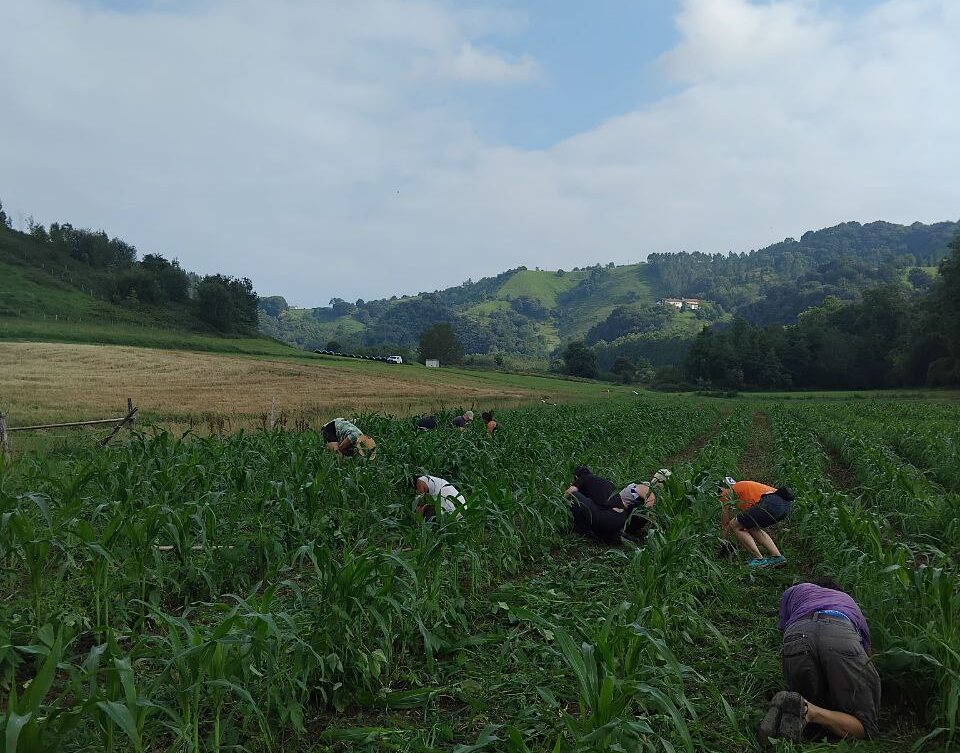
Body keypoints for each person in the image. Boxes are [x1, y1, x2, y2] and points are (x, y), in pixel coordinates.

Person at [758, 579, 880, 746]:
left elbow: (783, 632)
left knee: (809, 701)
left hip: (798, 631)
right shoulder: (848, 600)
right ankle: (812, 711)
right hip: (841, 630)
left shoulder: (794, 590)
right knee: (864, 727)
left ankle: (801, 708)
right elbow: (867, 656)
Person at [719, 476, 793, 567]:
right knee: (752, 527)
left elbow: (725, 523)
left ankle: (759, 559)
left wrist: (723, 542)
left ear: (723, 488)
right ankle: (777, 557)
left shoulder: (726, 492)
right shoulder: (743, 487)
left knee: (735, 525)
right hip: (785, 506)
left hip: (771, 502)